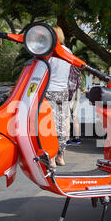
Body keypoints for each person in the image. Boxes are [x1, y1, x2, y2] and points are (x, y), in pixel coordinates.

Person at [46, 26, 71, 168]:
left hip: (50, 91)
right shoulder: (68, 51)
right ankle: (61, 156)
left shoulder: (50, 52)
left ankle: (51, 158)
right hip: (63, 91)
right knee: (62, 124)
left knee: (50, 126)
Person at [66, 65, 83, 146]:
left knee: (67, 116)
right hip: (77, 92)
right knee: (75, 116)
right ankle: (77, 138)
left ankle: (67, 139)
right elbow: (79, 82)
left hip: (69, 92)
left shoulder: (67, 68)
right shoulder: (78, 69)